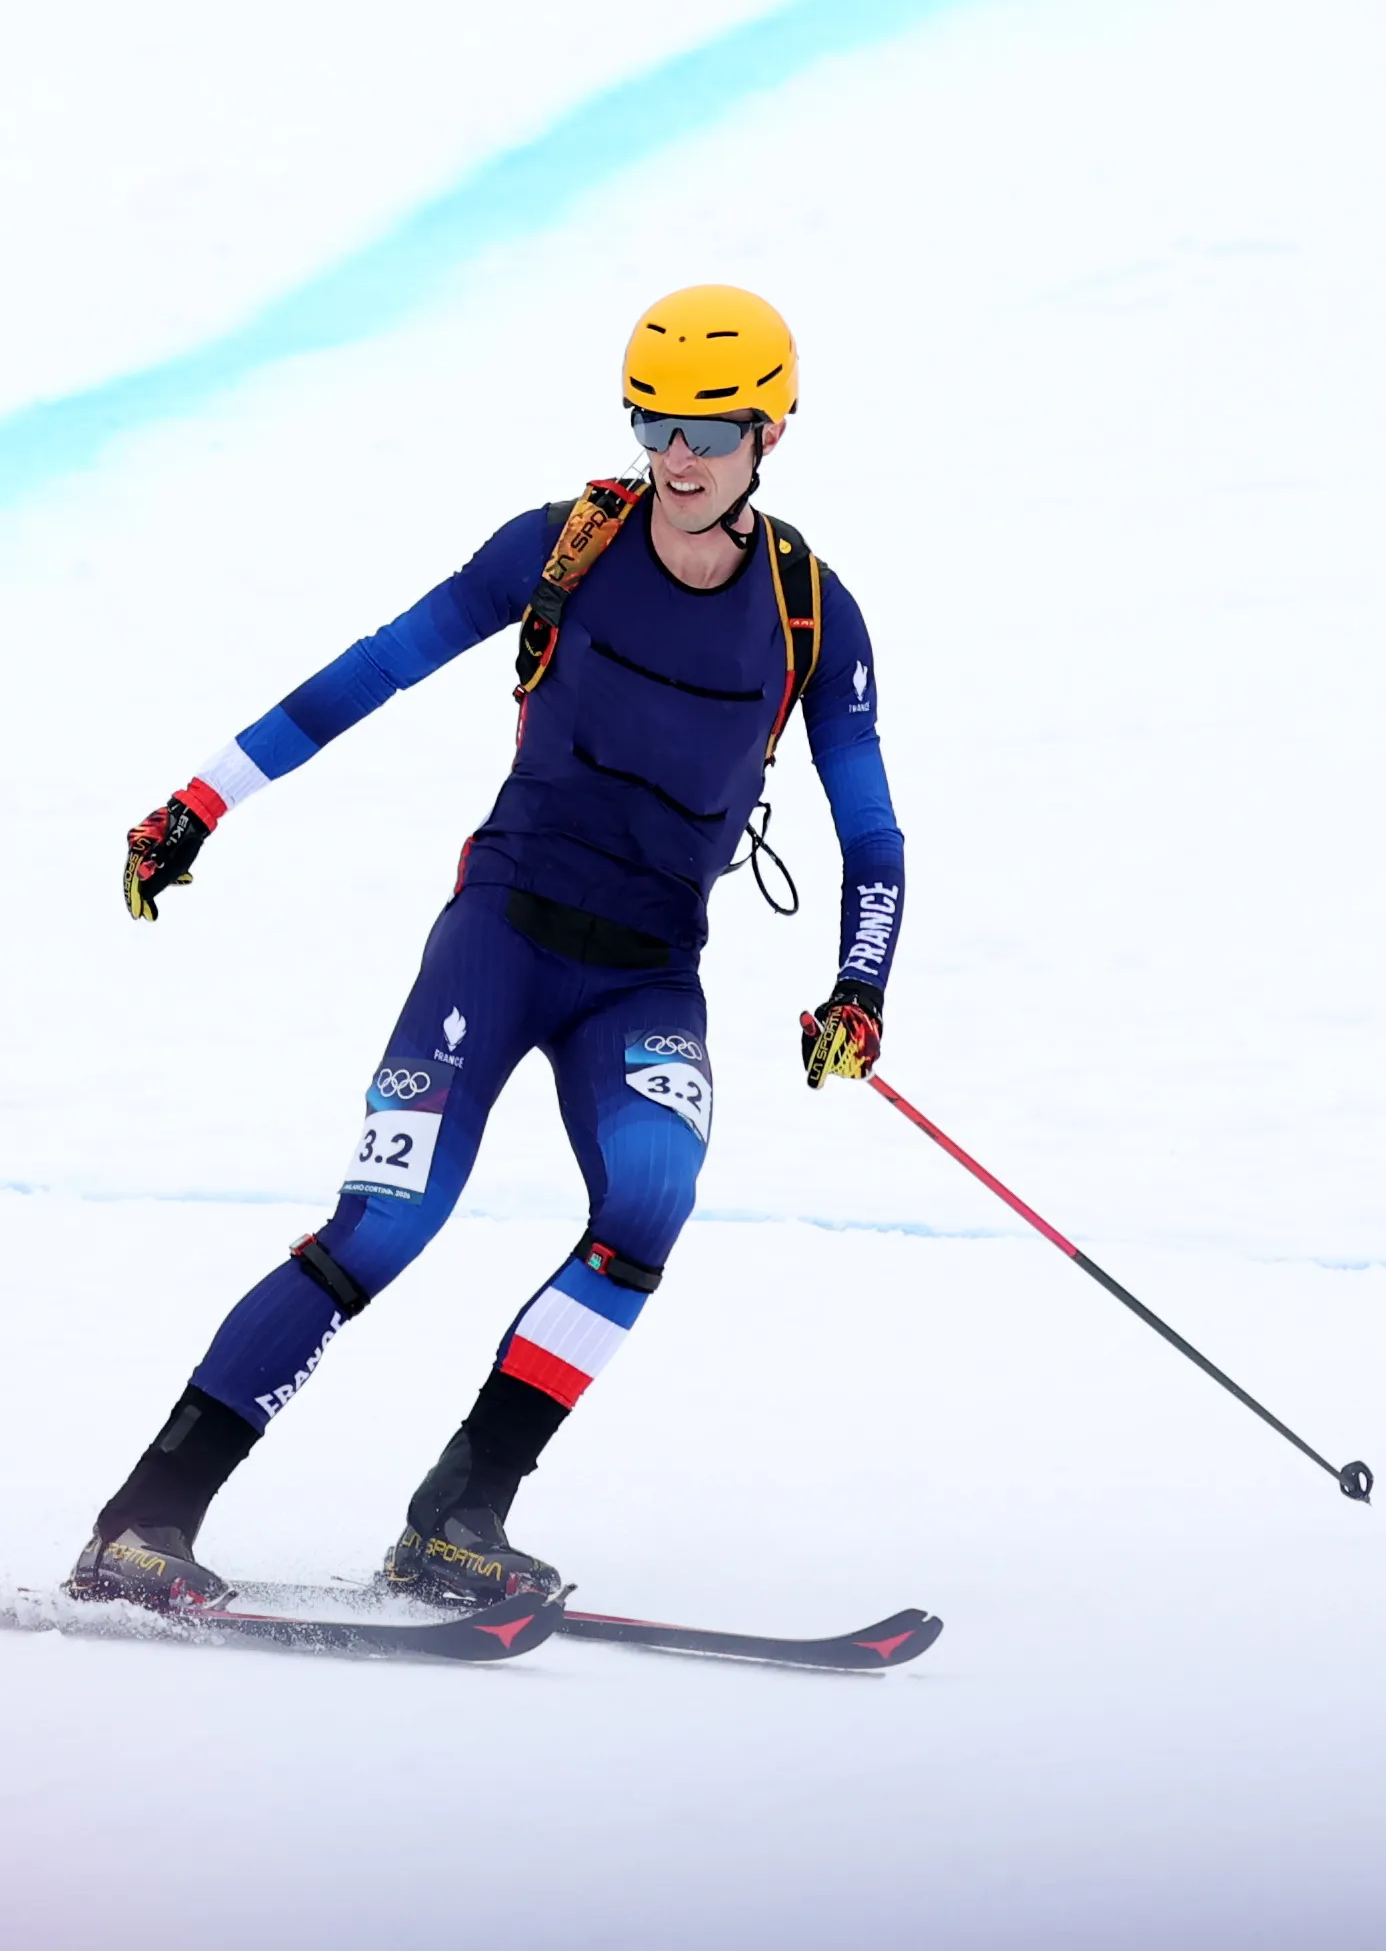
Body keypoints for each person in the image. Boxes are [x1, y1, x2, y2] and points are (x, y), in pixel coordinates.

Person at [71, 287, 906, 1616]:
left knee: (646, 1204)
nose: (675, 457)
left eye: (709, 427)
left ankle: (458, 1516)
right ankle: (140, 1525)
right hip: (500, 939)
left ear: (771, 431)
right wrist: (202, 800)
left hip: (642, 975)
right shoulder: (562, 545)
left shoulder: (812, 612)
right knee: (384, 1226)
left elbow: (866, 822)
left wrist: (859, 986)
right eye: (651, 421)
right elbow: (374, 667)